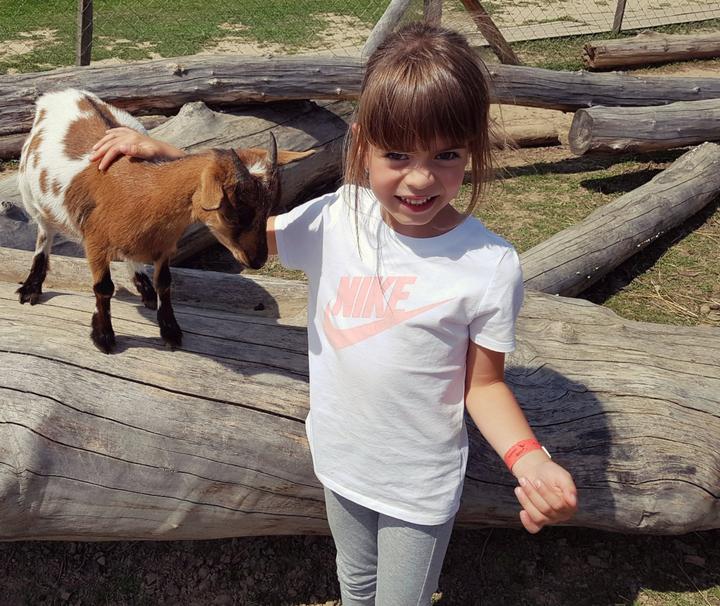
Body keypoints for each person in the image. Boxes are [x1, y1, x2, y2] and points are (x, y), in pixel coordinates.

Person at [91, 22, 577, 606]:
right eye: (397, 154)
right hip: (340, 461)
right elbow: (242, 223)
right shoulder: (338, 216)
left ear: (471, 148)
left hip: (417, 488)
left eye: (446, 155)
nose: (421, 178)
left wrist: (530, 460)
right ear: (362, 145)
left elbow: (485, 385)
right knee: (355, 580)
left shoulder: (489, 265)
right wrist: (175, 163)